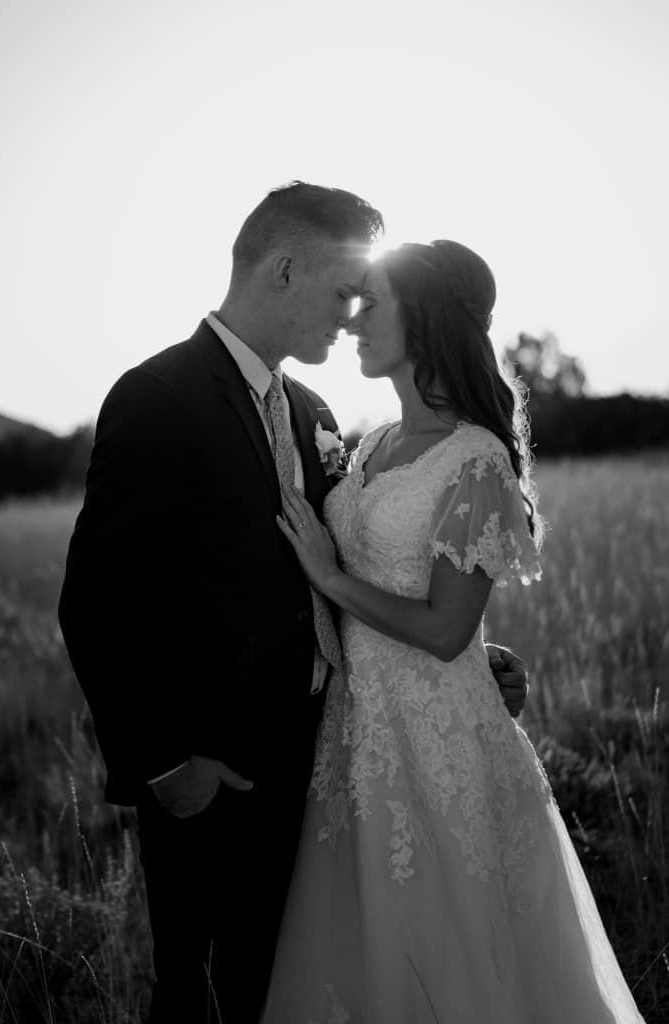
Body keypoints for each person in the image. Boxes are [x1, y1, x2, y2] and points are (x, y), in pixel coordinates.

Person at [58, 187, 528, 1024]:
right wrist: (167, 764)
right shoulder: (158, 396)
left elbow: (350, 564)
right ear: (283, 269)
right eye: (343, 292)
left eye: (364, 300)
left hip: (325, 757)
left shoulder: (314, 412)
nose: (350, 318)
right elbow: (97, 601)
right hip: (212, 772)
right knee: (195, 992)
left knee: (286, 989)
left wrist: (464, 653)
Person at [266, 241, 646, 1023]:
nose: (355, 317)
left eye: (372, 303)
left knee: (455, 954)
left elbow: (443, 630)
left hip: (437, 737)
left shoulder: (475, 457)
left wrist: (329, 578)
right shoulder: (369, 444)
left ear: (426, 319)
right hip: (357, 729)